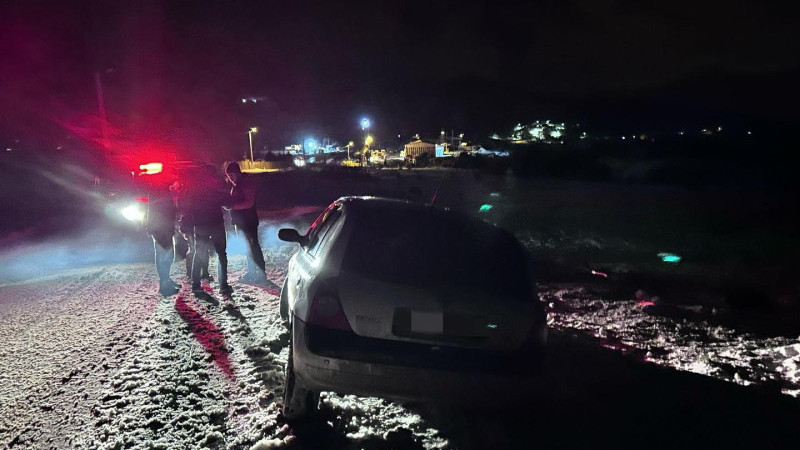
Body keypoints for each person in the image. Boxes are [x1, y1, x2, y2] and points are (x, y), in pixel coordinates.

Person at [185, 164, 232, 295]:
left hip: (200, 225)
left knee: (199, 253)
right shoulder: (216, 185)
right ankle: (223, 285)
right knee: (221, 254)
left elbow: (189, 205)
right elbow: (226, 200)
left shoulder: (194, 187)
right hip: (216, 222)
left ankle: (196, 284)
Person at [224, 161, 272, 285]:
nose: (230, 178)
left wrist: (232, 206)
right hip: (240, 222)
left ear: (237, 173)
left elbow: (249, 202)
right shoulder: (236, 184)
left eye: (231, 175)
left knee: (253, 247)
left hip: (248, 221)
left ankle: (261, 273)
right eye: (228, 176)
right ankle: (251, 272)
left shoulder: (246, 184)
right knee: (247, 248)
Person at [146, 180, 180, 296]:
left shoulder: (156, 190)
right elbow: (168, 210)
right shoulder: (163, 192)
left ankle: (165, 280)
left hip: (158, 228)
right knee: (167, 256)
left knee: (163, 255)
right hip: (163, 228)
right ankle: (164, 284)